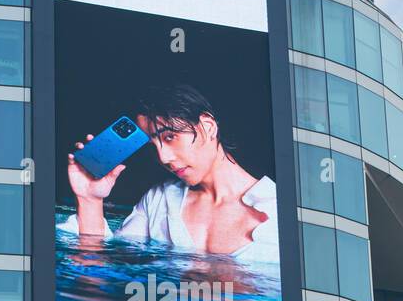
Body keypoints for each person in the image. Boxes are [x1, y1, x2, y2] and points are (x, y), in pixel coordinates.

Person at [65, 84, 279, 263]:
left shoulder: (278, 212)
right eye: (153, 146)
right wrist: (90, 199)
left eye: (169, 137)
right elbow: (97, 268)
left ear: (208, 126)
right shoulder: (159, 199)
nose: (163, 157)